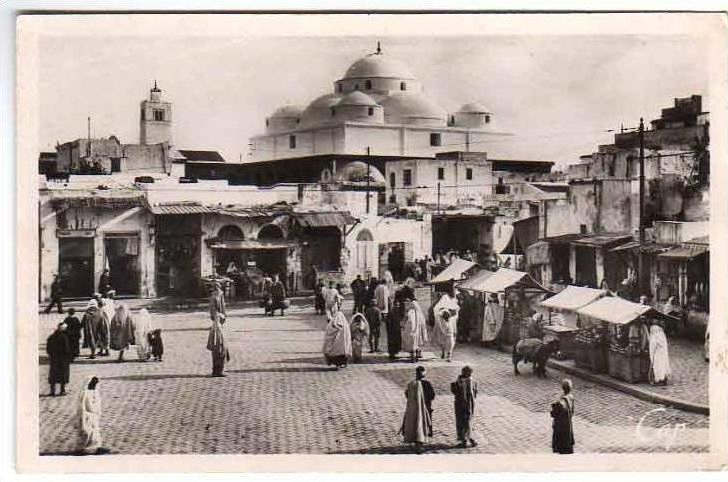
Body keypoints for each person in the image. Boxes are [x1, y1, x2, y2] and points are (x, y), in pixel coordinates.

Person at [400, 366, 433, 449]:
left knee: (414, 423)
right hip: (424, 408)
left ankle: (416, 440)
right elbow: (432, 395)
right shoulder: (426, 384)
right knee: (422, 424)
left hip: (414, 408)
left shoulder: (411, 384)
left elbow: (407, 395)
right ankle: (420, 443)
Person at [77, 376, 107, 455]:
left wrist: (98, 413)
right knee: (88, 432)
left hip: (94, 416)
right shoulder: (85, 393)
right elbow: (84, 406)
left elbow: (97, 404)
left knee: (95, 432)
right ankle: (86, 449)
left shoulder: (95, 392)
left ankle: (96, 446)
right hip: (87, 416)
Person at [451, 366, 478, 448]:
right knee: (468, 422)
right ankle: (470, 439)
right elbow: (475, 393)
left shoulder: (465, 381)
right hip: (468, 404)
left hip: (464, 405)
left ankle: (466, 440)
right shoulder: (472, 381)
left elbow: (462, 393)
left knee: (463, 422)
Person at [322, 302, 352, 369]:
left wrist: (332, 328)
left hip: (338, 339)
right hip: (340, 339)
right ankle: (340, 363)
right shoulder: (338, 317)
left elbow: (338, 326)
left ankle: (339, 364)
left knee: (337, 351)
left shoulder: (338, 316)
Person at [46, 322, 72, 396]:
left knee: (53, 375)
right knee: (63, 375)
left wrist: (51, 355)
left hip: (54, 359)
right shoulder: (64, 337)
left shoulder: (51, 337)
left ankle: (52, 391)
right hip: (63, 360)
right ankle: (62, 390)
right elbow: (67, 349)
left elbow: (48, 349)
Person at [551, 379, 575, 454]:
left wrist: (554, 407)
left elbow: (554, 413)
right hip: (568, 425)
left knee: (561, 447)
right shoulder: (571, 397)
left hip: (560, 427)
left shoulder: (561, 401)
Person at [402, 297, 428, 362]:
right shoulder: (420, 313)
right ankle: (416, 357)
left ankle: (413, 358)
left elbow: (408, 321)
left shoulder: (410, 312)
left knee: (412, 344)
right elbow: (423, 324)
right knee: (416, 344)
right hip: (418, 332)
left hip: (411, 331)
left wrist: (404, 326)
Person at [207, 309, 229, 377]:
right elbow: (216, 338)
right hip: (218, 346)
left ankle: (216, 371)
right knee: (219, 358)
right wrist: (219, 346)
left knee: (217, 359)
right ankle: (218, 372)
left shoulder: (216, 326)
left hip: (218, 346)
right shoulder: (217, 327)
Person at [648, 320, 671, 385]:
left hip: (657, 353)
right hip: (663, 352)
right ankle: (664, 378)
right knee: (664, 365)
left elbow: (652, 346)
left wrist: (652, 355)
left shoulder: (654, 335)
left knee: (657, 366)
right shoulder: (662, 333)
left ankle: (658, 379)